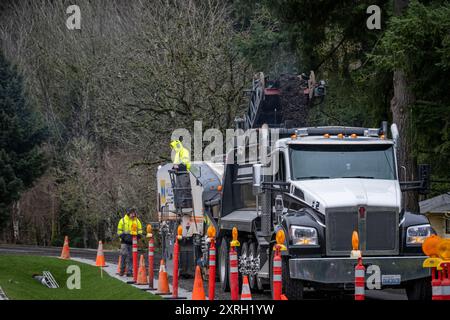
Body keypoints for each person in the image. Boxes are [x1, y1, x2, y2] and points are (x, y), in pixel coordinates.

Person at [117, 208, 143, 276]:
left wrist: (138, 236)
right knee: (124, 255)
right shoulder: (122, 220)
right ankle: (121, 271)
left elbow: (140, 231)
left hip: (133, 242)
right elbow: (119, 231)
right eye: (132, 213)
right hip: (124, 242)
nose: (133, 215)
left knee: (131, 257)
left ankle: (129, 271)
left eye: (134, 213)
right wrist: (124, 237)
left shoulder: (137, 221)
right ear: (128, 213)